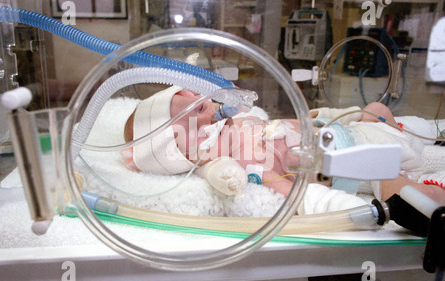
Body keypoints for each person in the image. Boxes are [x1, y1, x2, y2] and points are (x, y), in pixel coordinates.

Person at [123, 86, 445, 205]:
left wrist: (327, 116)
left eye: (197, 105)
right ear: (184, 159)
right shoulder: (248, 168)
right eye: (189, 126)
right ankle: (432, 194)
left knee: (377, 110)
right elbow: (297, 197)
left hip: (351, 129)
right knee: (397, 184)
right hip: (362, 165)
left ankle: (424, 135)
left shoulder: (246, 120)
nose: (205, 114)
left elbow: (294, 122)